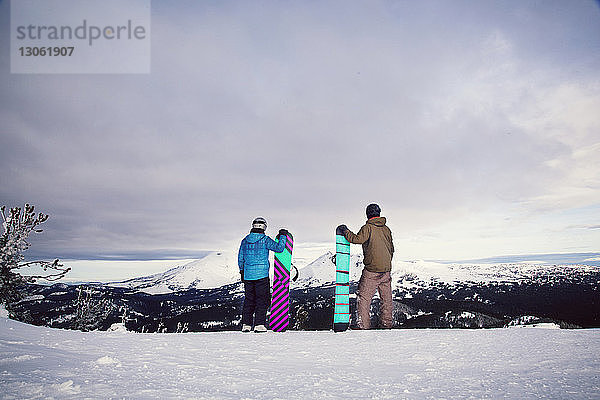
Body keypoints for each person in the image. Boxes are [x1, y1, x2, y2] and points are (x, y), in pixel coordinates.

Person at [338, 203, 394, 329]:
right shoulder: (386, 229)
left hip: (372, 270)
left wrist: (345, 230)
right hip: (386, 269)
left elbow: (357, 239)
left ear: (368, 214)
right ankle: (387, 324)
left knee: (363, 298)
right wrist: (386, 262)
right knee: (386, 299)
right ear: (379, 213)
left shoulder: (367, 227)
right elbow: (391, 248)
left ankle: (363, 325)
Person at [238, 217, 288, 333]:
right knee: (262, 299)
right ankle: (259, 324)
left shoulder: (245, 240)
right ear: (264, 227)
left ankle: (246, 325)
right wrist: (283, 236)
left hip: (248, 276)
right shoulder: (265, 240)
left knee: (249, 300)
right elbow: (279, 248)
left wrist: (242, 271)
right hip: (262, 276)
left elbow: (240, 258)